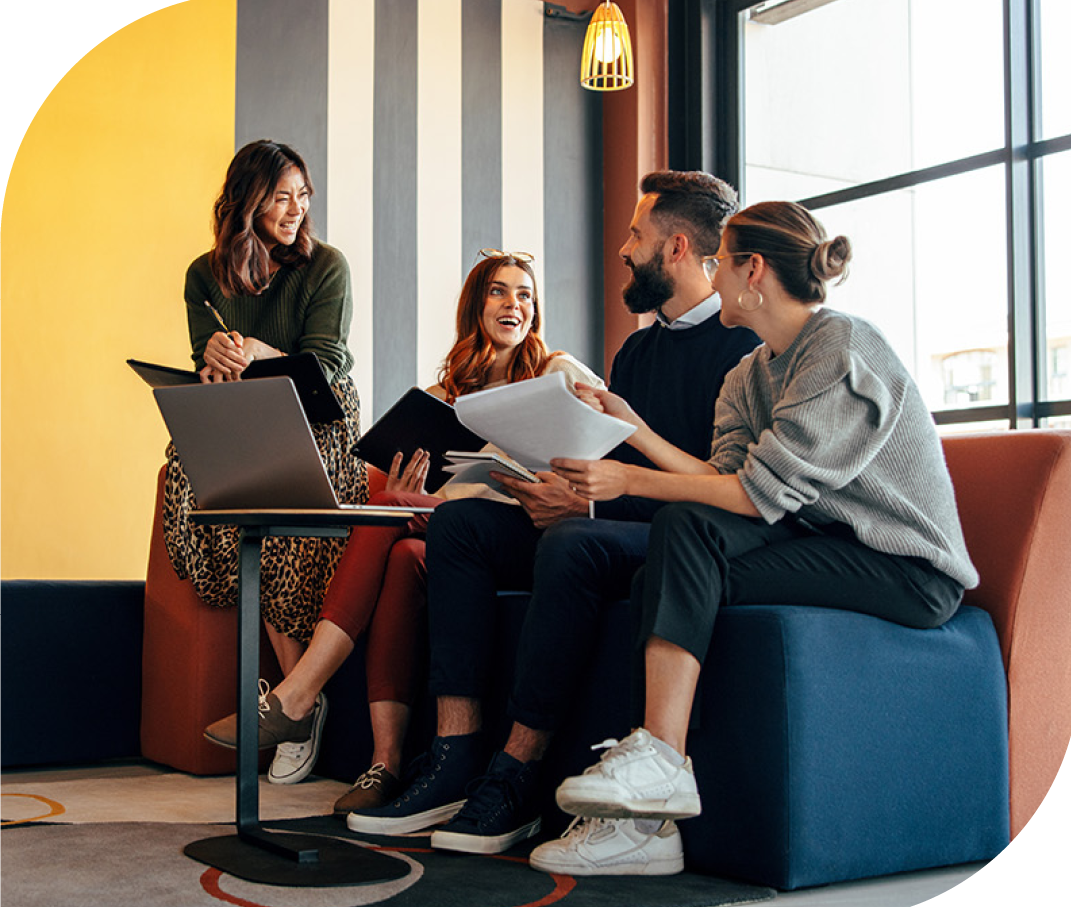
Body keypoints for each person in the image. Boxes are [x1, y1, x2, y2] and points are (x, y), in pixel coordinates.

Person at [540, 201, 978, 875]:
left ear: (754, 271)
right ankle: (647, 827)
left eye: (720, 265)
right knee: (662, 564)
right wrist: (633, 428)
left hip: (905, 568)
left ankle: (658, 767)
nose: (710, 279)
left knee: (682, 531)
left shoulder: (841, 348)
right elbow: (724, 481)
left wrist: (628, 479)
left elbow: (752, 495)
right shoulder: (749, 375)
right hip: (825, 543)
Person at [346, 171, 761, 867]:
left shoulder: (741, 351)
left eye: (636, 235)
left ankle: (516, 777)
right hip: (603, 515)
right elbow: (600, 454)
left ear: (678, 247)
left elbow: (720, 491)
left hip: (676, 539)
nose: (623, 250)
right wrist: (551, 485)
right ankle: (453, 758)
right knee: (459, 530)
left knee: (572, 542)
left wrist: (590, 504)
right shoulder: (635, 351)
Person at [203, 250, 605, 795]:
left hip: (528, 528)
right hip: (449, 535)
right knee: (398, 547)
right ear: (475, 307)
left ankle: (297, 696)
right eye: (499, 291)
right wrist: (407, 495)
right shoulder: (443, 398)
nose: (514, 303)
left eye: (525, 294)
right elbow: (427, 491)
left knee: (398, 521)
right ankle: (385, 763)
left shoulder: (556, 371)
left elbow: (604, 446)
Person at [163, 139, 369, 781]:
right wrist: (215, 362)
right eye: (281, 196)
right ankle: (296, 704)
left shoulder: (325, 265)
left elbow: (327, 365)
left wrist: (257, 349)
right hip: (245, 412)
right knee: (190, 475)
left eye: (302, 196)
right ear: (246, 200)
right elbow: (206, 355)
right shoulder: (204, 273)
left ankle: (292, 704)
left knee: (279, 524)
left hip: (318, 416)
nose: (295, 208)